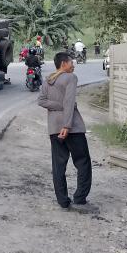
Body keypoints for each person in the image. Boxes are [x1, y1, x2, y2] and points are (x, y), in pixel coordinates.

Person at [38, 52, 92, 209]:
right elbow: (69, 102)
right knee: (83, 162)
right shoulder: (70, 78)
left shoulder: (48, 80)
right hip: (72, 128)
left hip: (54, 128)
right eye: (71, 63)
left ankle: (63, 201)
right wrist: (67, 125)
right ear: (63, 64)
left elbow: (41, 100)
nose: (73, 65)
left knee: (58, 165)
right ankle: (80, 198)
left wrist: (58, 106)